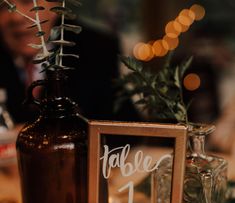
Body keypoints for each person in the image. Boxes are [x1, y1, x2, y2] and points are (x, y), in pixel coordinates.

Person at [0, 0, 140, 124]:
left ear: (56, 6)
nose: (16, 17)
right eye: (3, 7)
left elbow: (124, 127)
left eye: (27, 1)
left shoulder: (96, 49)